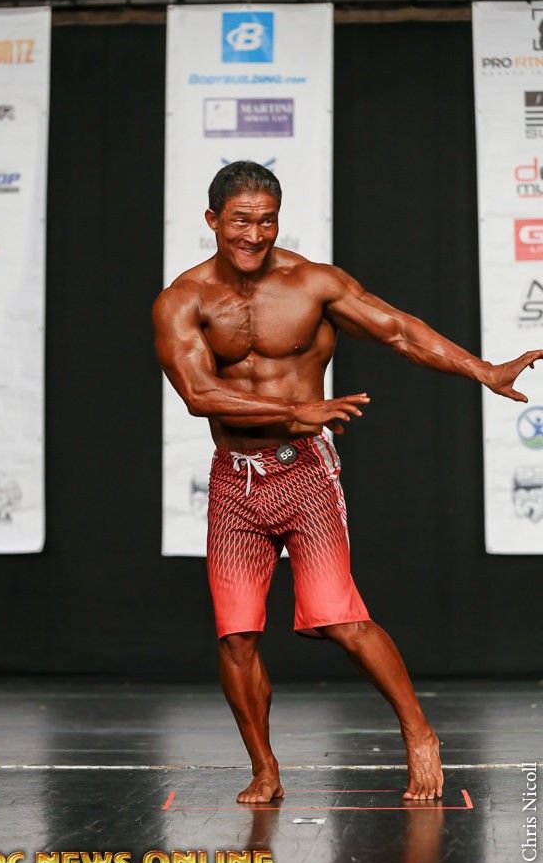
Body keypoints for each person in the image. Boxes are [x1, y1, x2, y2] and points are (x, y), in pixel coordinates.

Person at [152, 160, 542, 805]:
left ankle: (419, 732)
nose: (254, 235)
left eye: (267, 221)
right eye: (241, 221)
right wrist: (294, 409)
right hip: (236, 482)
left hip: (306, 473)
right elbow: (198, 394)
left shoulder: (312, 284)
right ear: (213, 220)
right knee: (237, 635)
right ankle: (265, 769)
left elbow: (399, 330)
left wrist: (484, 371)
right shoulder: (182, 300)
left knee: (341, 618)